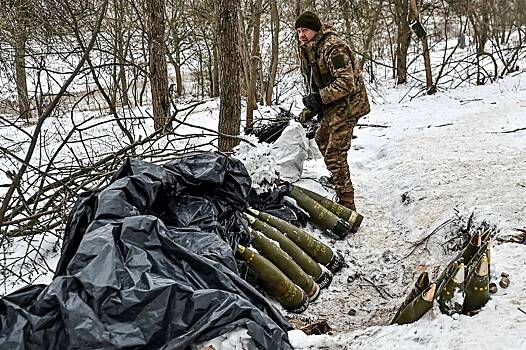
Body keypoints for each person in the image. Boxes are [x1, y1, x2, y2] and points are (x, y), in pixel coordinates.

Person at [295, 11, 370, 211]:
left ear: (316, 30)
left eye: (306, 30)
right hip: (333, 105)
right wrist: (310, 108)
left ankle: (347, 202)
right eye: (299, 31)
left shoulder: (333, 47)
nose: (302, 35)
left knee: (335, 153)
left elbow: (346, 83)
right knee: (321, 139)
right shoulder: (311, 48)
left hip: (348, 105)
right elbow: (319, 81)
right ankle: (338, 179)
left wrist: (318, 99)